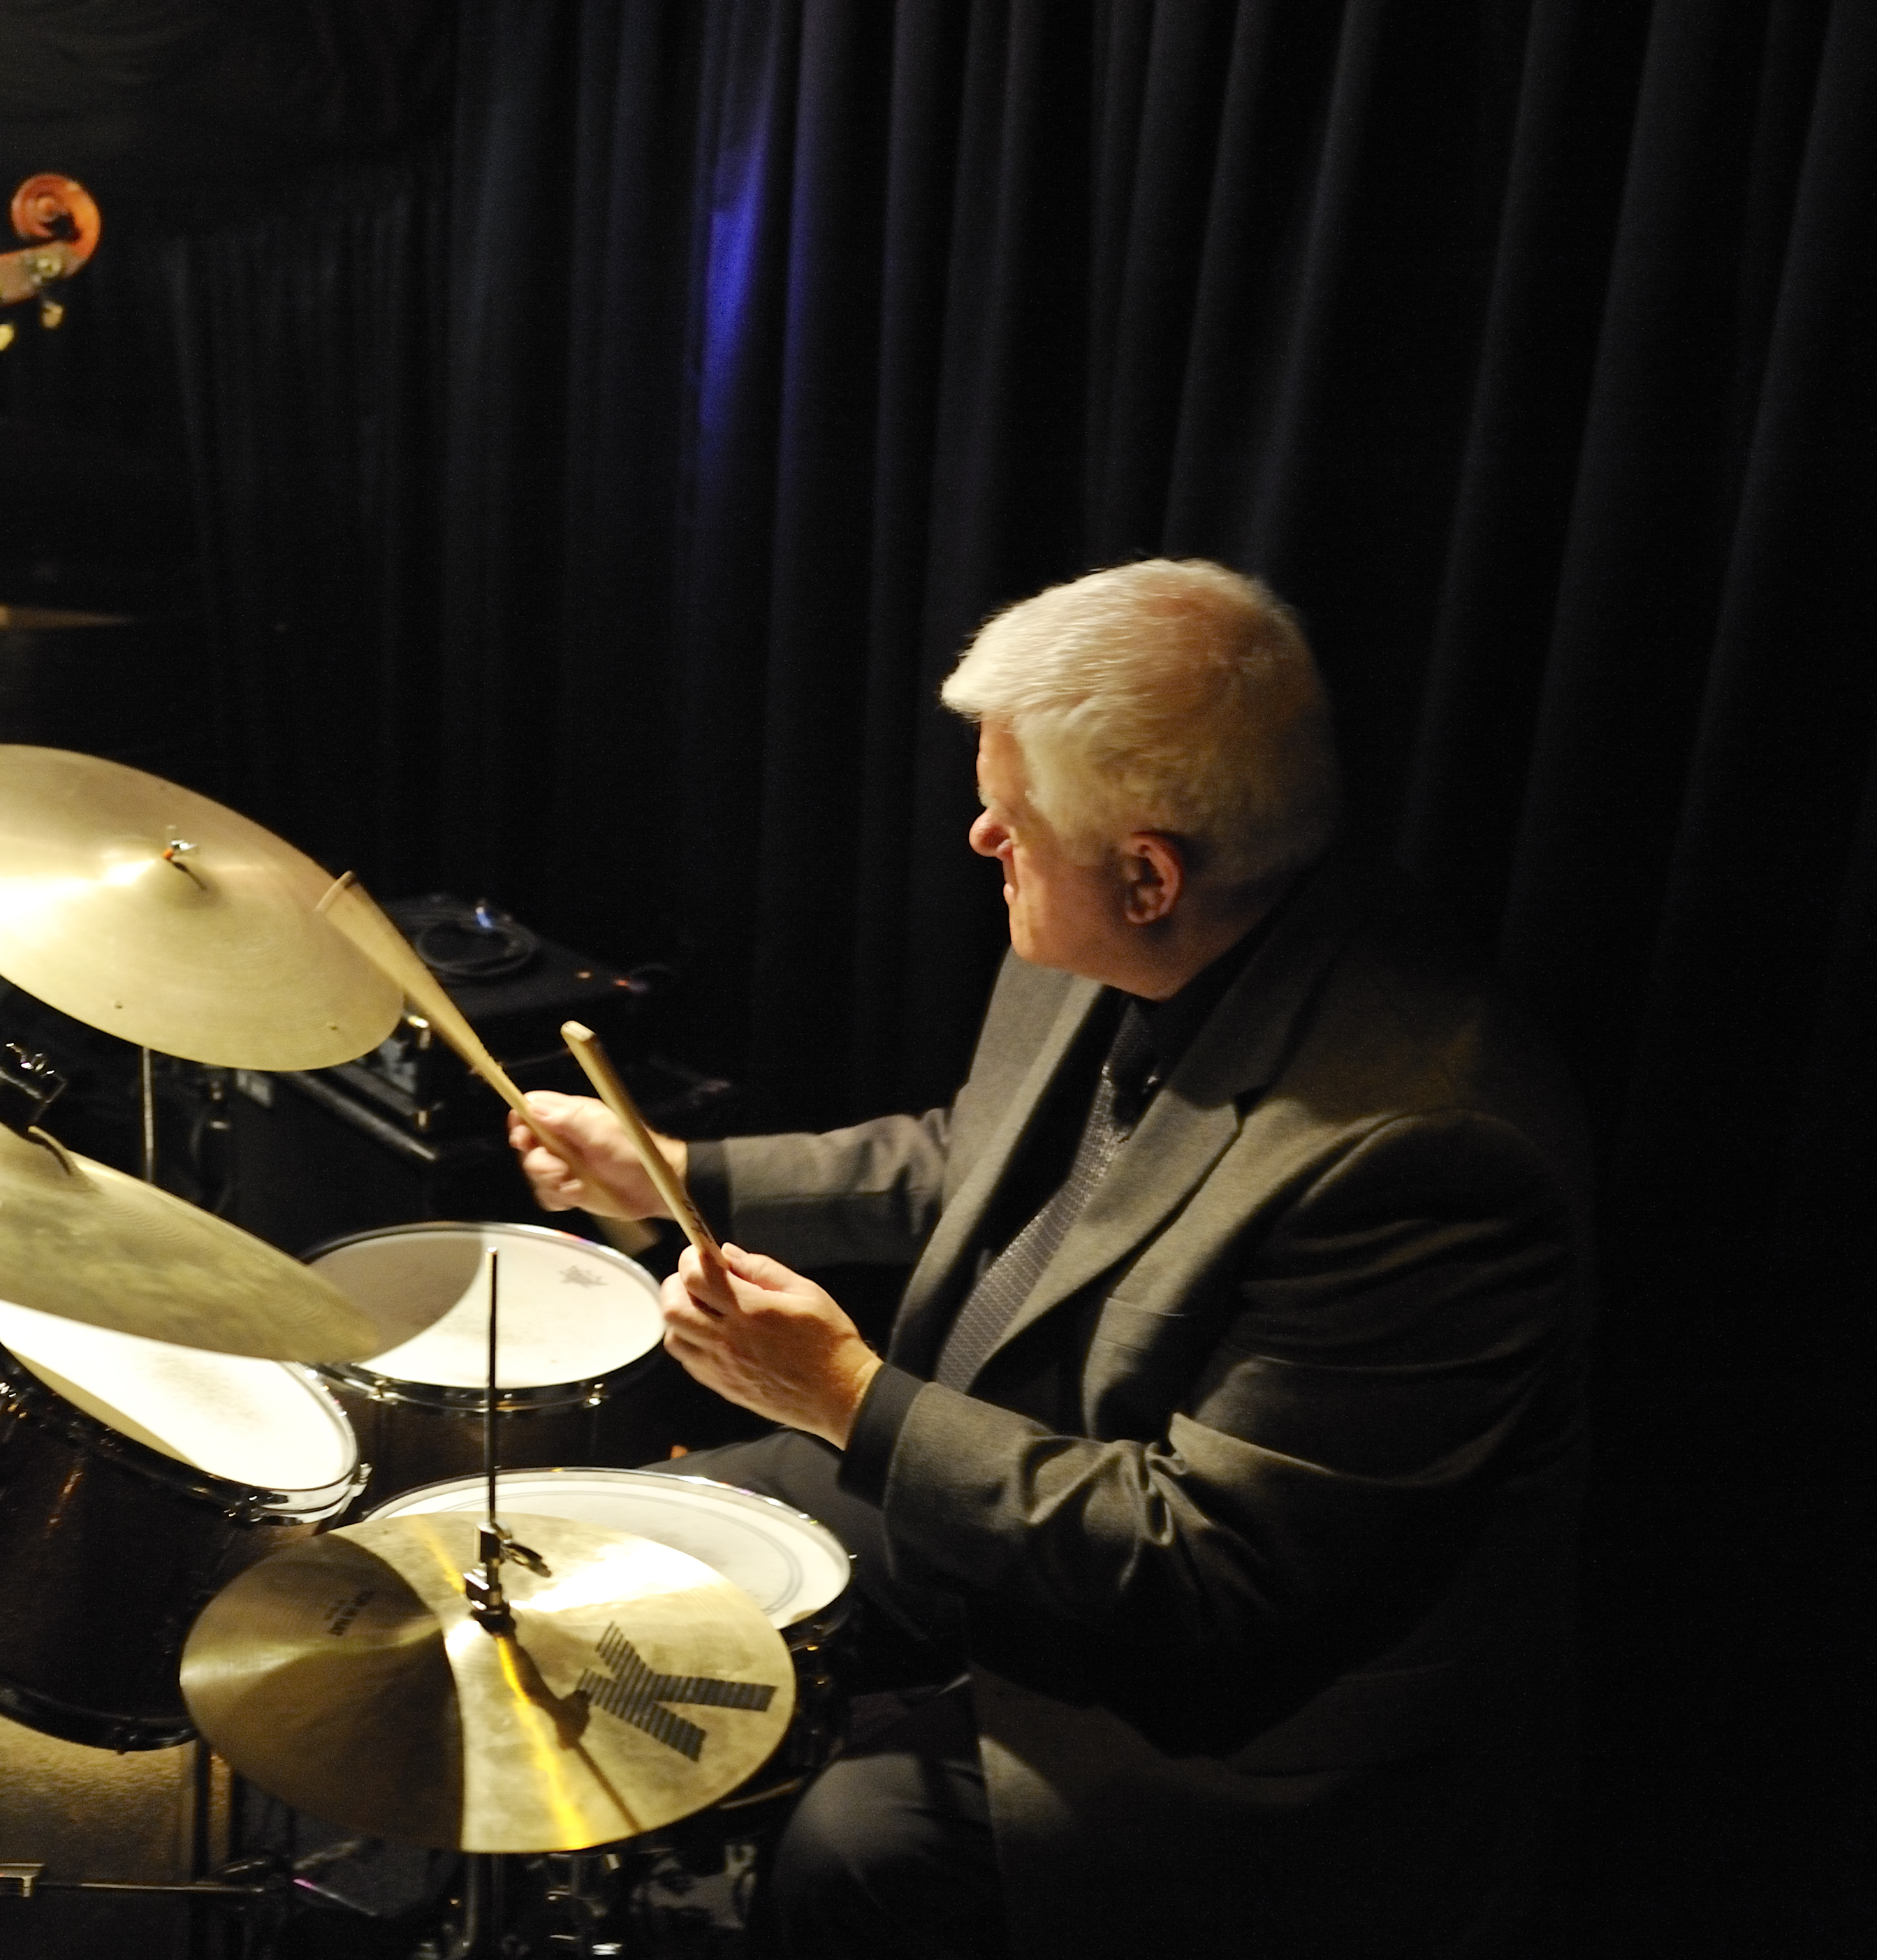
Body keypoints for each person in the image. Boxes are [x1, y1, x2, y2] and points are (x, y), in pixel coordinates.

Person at [514, 560, 1589, 1959]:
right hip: (1006, 1484)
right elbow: (970, 1155)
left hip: (1236, 1702)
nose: (979, 837)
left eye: (1008, 818)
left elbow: (1208, 1566)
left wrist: (845, 1397)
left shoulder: (1421, 1152)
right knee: (608, 1557)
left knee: (856, 1849)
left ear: (1146, 874)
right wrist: (673, 1172)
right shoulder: (1129, 921)